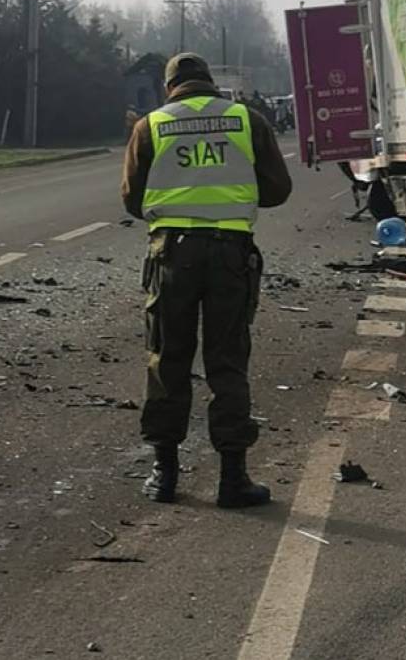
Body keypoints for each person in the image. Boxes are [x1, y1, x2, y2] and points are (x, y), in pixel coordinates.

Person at [121, 52, 292, 508]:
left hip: (171, 256)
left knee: (166, 361)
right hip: (229, 255)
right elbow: (277, 190)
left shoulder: (150, 126)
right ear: (209, 82)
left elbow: (133, 201)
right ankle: (233, 480)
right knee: (227, 362)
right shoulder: (245, 120)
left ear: (169, 87)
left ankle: (165, 475)